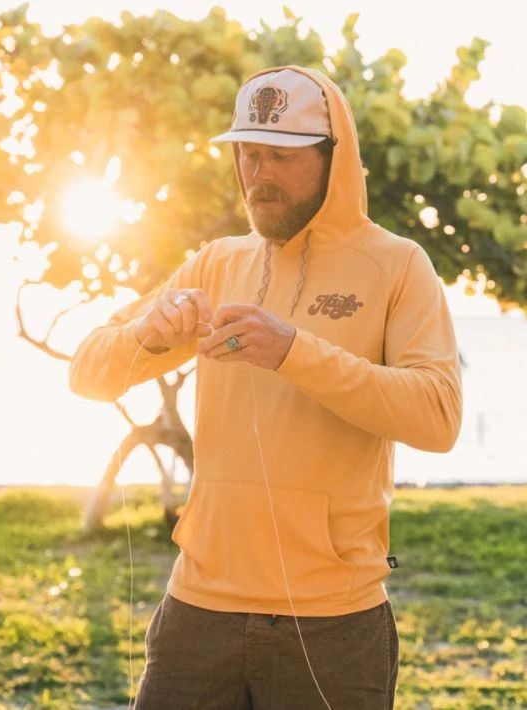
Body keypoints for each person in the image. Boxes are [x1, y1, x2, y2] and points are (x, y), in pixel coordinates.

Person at [69, 65, 463, 709]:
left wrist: (294, 352)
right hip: (198, 609)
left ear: (333, 157)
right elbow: (86, 373)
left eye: (281, 155)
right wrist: (147, 334)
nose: (259, 174)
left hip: (335, 620)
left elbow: (438, 416)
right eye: (248, 154)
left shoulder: (398, 265)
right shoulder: (215, 262)